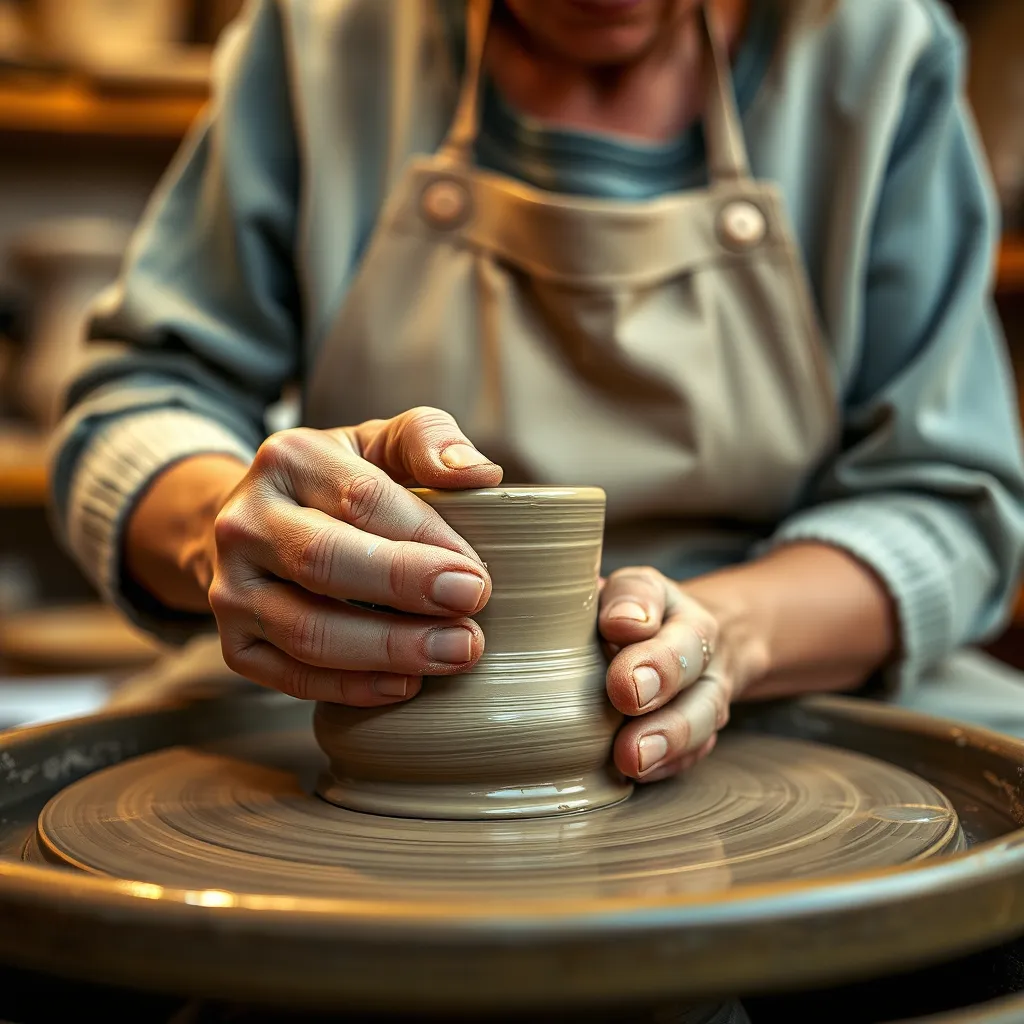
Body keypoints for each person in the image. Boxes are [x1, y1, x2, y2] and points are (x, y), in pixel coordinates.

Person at [50, 0, 1024, 780]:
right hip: (363, 670)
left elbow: (950, 497)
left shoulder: (876, 48)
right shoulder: (320, 36)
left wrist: (728, 634)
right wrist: (234, 534)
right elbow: (137, 401)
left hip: (782, 653)